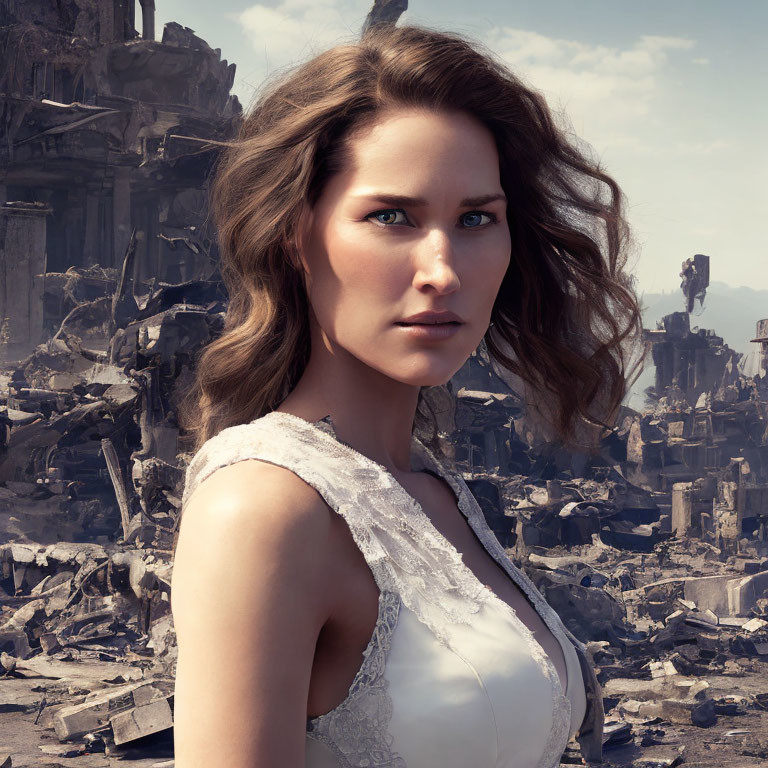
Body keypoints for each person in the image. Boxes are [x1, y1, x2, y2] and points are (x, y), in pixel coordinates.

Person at [170, 23, 643, 768]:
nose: (443, 271)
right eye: (392, 217)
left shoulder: (434, 492)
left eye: (476, 219)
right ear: (297, 234)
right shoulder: (262, 507)